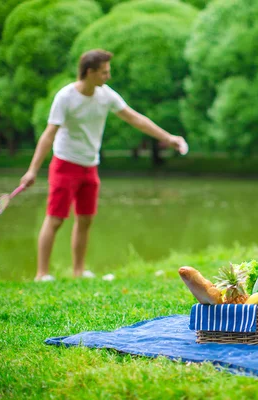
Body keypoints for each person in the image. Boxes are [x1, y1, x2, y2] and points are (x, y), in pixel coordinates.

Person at [20, 49, 188, 281]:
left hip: (90, 165)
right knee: (56, 219)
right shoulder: (65, 97)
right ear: (90, 72)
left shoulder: (105, 95)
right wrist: (32, 170)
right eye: (104, 72)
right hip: (65, 164)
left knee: (86, 218)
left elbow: (134, 117)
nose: (108, 76)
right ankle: (42, 274)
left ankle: (79, 271)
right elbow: (49, 134)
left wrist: (167, 138)